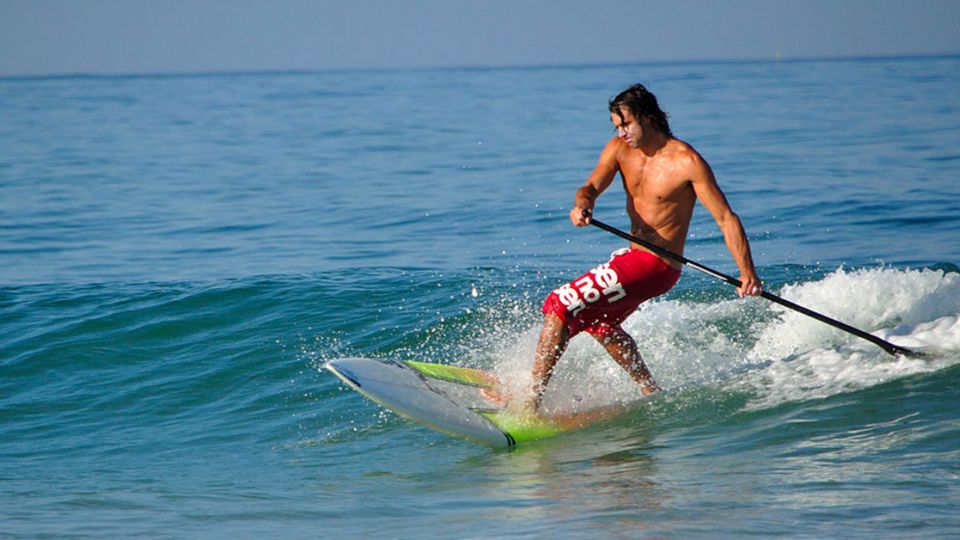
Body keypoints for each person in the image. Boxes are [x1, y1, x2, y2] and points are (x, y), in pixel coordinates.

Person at [527, 83, 762, 412]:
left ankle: (528, 402)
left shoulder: (686, 161)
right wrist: (583, 204)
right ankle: (651, 391)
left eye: (626, 124)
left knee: (559, 304)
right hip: (633, 257)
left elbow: (726, 218)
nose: (621, 132)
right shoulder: (619, 150)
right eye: (617, 126)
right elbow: (591, 186)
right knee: (601, 322)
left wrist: (746, 271)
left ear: (648, 118)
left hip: (656, 264)